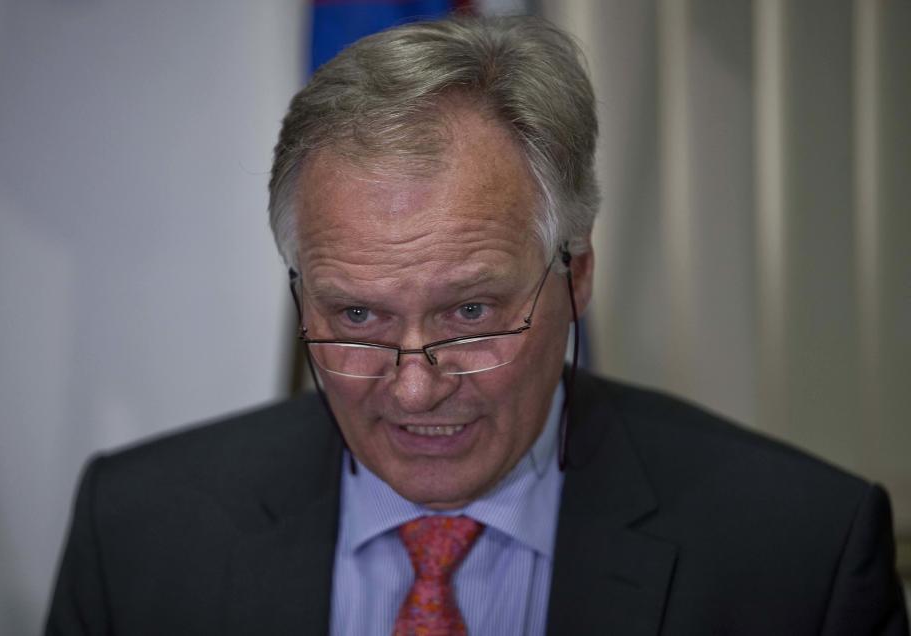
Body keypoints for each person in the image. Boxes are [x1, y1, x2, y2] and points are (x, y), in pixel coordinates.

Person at [46, 16, 908, 636]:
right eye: (356, 315)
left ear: (576, 275)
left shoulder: (803, 557)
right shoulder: (136, 534)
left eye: (469, 312)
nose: (416, 386)